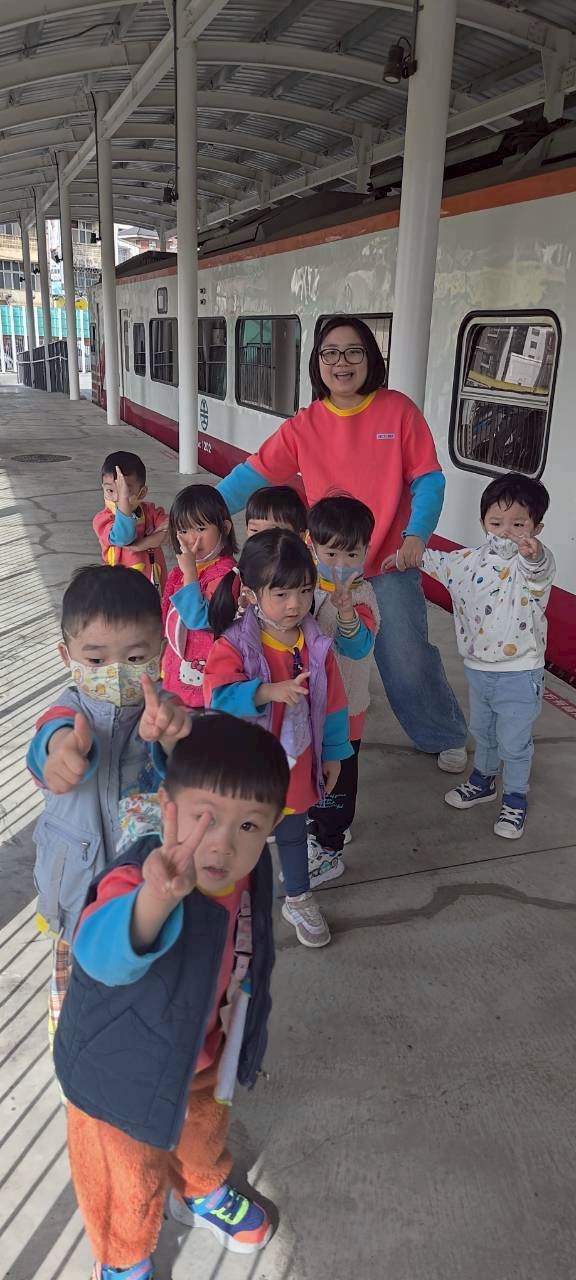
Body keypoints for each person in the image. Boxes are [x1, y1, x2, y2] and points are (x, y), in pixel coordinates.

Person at [54, 716, 290, 1280]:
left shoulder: (247, 873)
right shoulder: (143, 875)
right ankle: (122, 1258)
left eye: (248, 825)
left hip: (204, 1050)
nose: (222, 843)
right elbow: (99, 953)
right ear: (168, 808)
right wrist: (155, 901)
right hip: (122, 1074)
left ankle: (200, 1189)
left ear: (273, 825)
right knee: (125, 1177)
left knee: (204, 1133)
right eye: (205, 818)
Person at [216, 316, 468, 771]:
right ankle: (322, 736)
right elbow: (252, 474)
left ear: (371, 359)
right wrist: (203, 511)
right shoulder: (305, 425)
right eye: (329, 353)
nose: (342, 362)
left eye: (354, 352)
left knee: (406, 659)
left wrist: (416, 536)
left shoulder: (398, 411)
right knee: (315, 656)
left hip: (387, 564)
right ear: (317, 363)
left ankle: (443, 733)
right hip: (322, 568)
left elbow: (428, 479)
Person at [27, 565, 191, 1052]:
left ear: (160, 652)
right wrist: (60, 754)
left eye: (135, 657)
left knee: (135, 970)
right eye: (96, 659)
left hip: (140, 886)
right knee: (74, 986)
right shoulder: (67, 713)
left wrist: (173, 739)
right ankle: (71, 1050)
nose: (116, 672)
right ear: (67, 655)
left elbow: (186, 770)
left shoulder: (165, 710)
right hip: (74, 890)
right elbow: (50, 740)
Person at [203, 529, 352, 949]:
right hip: (248, 768)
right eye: (281, 594)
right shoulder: (236, 644)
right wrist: (266, 692)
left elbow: (334, 703)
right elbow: (216, 696)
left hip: (297, 760)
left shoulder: (315, 642)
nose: (295, 605)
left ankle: (298, 897)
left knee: (292, 829)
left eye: (304, 591)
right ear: (251, 594)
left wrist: (334, 754)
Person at [392, 473, 555, 839]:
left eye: (518, 524)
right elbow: (436, 561)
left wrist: (534, 554)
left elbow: (540, 568)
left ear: (536, 528)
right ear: (483, 521)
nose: (505, 531)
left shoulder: (529, 566)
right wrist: (403, 557)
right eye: (496, 522)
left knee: (514, 741)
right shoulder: (469, 561)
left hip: (520, 672)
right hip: (479, 669)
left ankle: (515, 797)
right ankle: (484, 780)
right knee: (483, 731)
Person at [306, 496, 380, 883]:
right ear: (311, 545)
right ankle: (318, 826)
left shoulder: (362, 597)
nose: (340, 564)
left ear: (367, 551)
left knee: (338, 782)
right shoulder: (304, 586)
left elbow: (358, 646)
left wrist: (347, 611)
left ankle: (330, 849)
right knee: (314, 773)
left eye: (352, 554)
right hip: (308, 707)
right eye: (331, 553)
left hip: (344, 713)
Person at [161, 485, 238, 708]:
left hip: (204, 673)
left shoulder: (226, 574)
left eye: (201, 528)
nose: (192, 539)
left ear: (224, 528)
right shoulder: (184, 570)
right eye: (183, 531)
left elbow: (199, 620)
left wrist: (190, 574)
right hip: (177, 666)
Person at [93, 451, 168, 589]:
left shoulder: (149, 512)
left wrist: (144, 544)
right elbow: (123, 538)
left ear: (142, 493)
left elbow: (171, 529)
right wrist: (124, 499)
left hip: (154, 587)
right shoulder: (103, 520)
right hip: (122, 591)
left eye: (125, 491)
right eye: (110, 490)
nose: (117, 498)